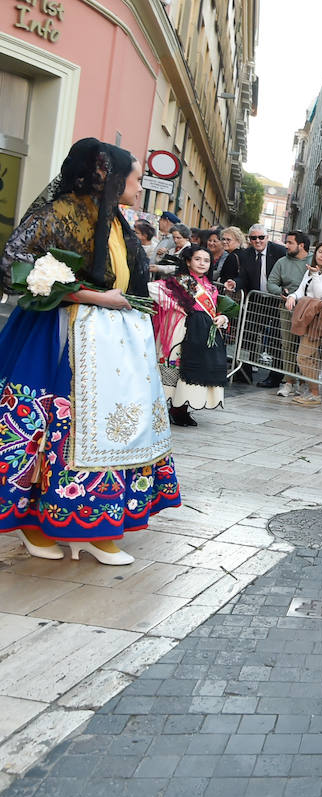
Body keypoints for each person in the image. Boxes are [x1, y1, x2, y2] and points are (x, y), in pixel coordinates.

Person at [0, 138, 181, 564]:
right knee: (54, 429)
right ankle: (35, 524)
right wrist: (91, 296)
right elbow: (12, 263)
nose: (139, 188)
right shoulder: (60, 213)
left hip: (114, 341)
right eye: (136, 180)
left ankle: (96, 524)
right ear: (109, 176)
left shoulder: (115, 219)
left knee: (114, 428)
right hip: (60, 336)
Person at [150, 244, 230, 427]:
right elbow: (153, 289)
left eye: (207, 260)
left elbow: (214, 310)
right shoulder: (182, 280)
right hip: (182, 330)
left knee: (193, 368)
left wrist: (222, 317)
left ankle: (182, 408)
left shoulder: (211, 287)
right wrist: (177, 306)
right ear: (188, 261)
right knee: (176, 366)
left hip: (203, 332)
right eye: (198, 259)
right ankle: (169, 408)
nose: (202, 263)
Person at [233, 224, 288, 388]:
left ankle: (275, 377)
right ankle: (244, 373)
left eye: (261, 237)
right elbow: (243, 277)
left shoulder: (279, 251)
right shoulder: (246, 254)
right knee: (248, 336)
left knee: (276, 339)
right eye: (253, 238)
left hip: (277, 301)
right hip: (256, 300)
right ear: (249, 239)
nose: (257, 241)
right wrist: (234, 283)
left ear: (267, 237)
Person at [284, 240, 322, 406]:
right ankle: (311, 391)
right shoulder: (310, 270)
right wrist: (292, 297)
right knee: (310, 357)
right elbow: (301, 290)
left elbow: (321, 294)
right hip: (305, 315)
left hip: (318, 318)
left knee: (304, 357)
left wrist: (315, 274)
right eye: (320, 252)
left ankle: (315, 393)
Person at [266, 231, 312, 399]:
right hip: (286, 308)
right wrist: (281, 292)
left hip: (309, 310)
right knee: (288, 345)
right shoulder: (282, 262)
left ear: (301, 245)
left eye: (290, 242)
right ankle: (289, 382)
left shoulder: (313, 260)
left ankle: (305, 382)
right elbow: (271, 283)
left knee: (307, 347)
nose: (286, 246)